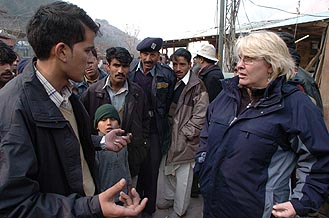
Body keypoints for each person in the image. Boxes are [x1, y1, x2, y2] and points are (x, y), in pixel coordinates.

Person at [0, 2, 147, 217]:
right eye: (87, 50)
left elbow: (62, 143)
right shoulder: (14, 108)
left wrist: (101, 142)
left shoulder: (67, 94)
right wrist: (92, 206)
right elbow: (15, 206)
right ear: (62, 51)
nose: (91, 60)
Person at [194, 31, 329, 218]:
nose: (239, 65)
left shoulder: (295, 105)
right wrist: (202, 163)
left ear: (271, 65)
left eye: (248, 59)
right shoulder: (227, 95)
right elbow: (207, 133)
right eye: (240, 58)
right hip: (214, 206)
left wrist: (301, 202)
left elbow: (320, 160)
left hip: (259, 211)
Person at [81, 46, 150, 189]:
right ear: (107, 66)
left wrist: (140, 147)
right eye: (116, 65)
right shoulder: (92, 93)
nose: (120, 71)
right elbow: (83, 126)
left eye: (125, 66)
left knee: (128, 195)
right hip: (101, 158)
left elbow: (145, 122)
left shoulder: (137, 93)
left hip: (130, 157)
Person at [157, 48, 208, 218]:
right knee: (169, 170)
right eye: (175, 64)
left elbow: (201, 114)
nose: (178, 68)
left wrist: (187, 133)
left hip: (186, 138)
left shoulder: (197, 86)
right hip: (171, 135)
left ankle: (180, 210)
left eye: (182, 64)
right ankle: (171, 199)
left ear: (190, 64)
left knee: (184, 177)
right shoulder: (173, 80)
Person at [129, 37, 176, 218]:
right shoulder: (130, 71)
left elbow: (171, 100)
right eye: (145, 54)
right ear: (140, 54)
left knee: (151, 170)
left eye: (153, 55)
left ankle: (148, 209)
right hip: (134, 128)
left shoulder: (167, 74)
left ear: (158, 56)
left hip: (156, 129)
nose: (149, 59)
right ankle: (133, 205)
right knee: (135, 168)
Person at [93, 104, 131, 202]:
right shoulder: (95, 147)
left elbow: (126, 167)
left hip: (122, 194)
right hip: (104, 196)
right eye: (103, 120)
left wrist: (129, 186)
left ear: (119, 124)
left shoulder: (123, 143)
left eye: (112, 119)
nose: (109, 123)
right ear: (96, 125)